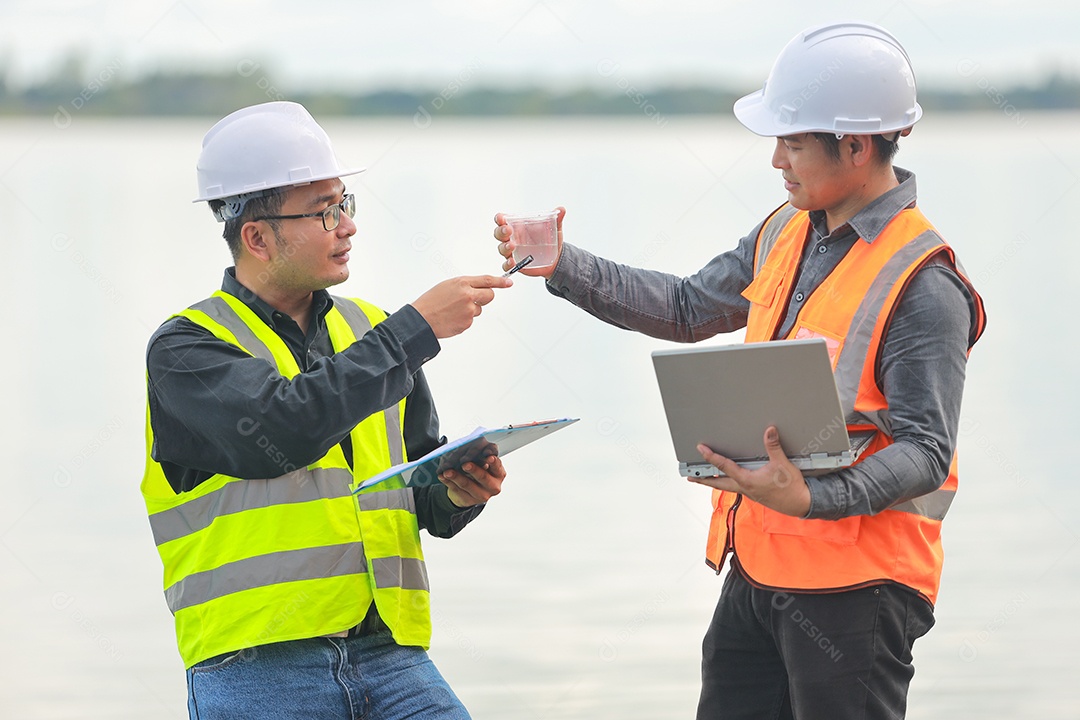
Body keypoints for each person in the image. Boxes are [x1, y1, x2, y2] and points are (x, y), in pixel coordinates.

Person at [493, 22, 986, 720]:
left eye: (793, 142)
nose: (777, 160)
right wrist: (563, 264)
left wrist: (815, 499)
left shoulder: (924, 282)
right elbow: (690, 307)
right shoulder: (785, 229)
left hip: (859, 590)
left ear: (854, 143)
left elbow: (926, 452)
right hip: (758, 569)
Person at [141, 100, 513, 719]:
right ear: (256, 237)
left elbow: (415, 492)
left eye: (345, 204)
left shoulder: (370, 331)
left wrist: (458, 494)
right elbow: (284, 430)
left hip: (391, 654)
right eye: (324, 211)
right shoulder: (186, 349)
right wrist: (415, 329)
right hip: (256, 668)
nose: (347, 226)